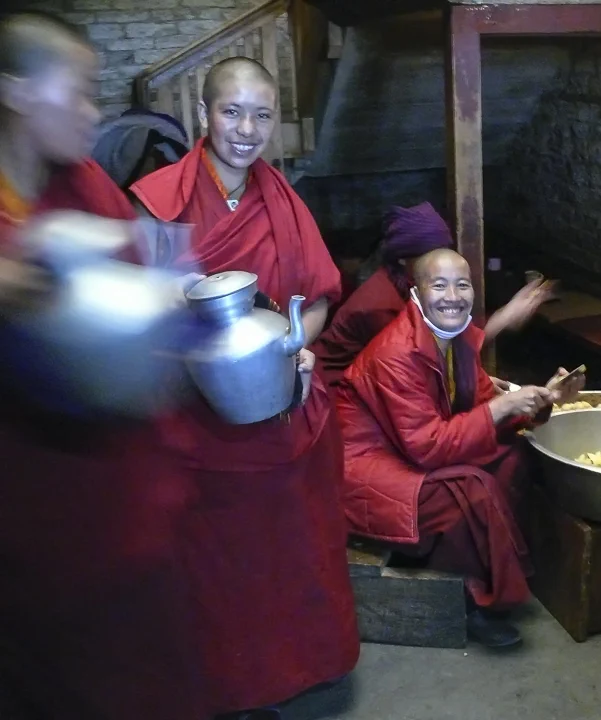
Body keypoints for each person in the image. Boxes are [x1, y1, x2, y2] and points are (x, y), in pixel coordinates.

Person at [131, 57, 359, 717]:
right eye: (232, 111)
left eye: (262, 115)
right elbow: (143, 320)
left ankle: (299, 666)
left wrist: (297, 350)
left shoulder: (285, 201)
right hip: (197, 420)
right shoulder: (160, 203)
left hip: (279, 406)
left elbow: (315, 300)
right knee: (218, 561)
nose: (246, 129)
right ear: (204, 115)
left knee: (295, 546)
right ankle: (232, 684)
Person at [0, 12, 204, 720]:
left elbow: (156, 266)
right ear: (17, 90)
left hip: (125, 466)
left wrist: (178, 291)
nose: (94, 114)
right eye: (80, 92)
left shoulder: (83, 179)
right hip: (38, 494)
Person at [336, 248, 584, 648]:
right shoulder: (395, 353)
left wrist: (542, 402)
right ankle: (472, 601)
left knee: (513, 457)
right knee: (469, 489)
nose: (453, 295)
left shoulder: (457, 340)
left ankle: (505, 567)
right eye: (439, 285)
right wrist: (502, 407)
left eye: (462, 284)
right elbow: (429, 449)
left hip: (409, 445)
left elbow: (486, 404)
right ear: (416, 293)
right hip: (365, 467)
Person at [317, 201, 553, 386]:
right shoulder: (380, 305)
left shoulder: (413, 284)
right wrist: (503, 320)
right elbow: (423, 363)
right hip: (338, 395)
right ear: (402, 259)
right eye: (429, 255)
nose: (440, 262)